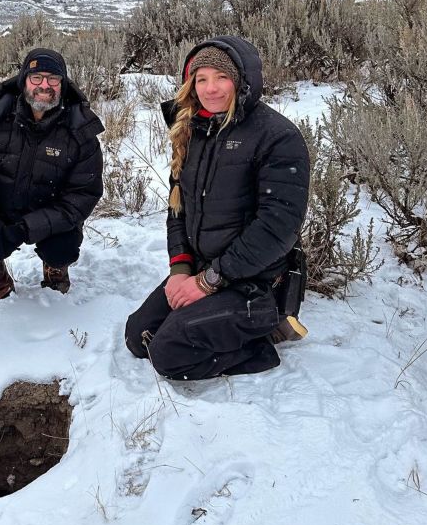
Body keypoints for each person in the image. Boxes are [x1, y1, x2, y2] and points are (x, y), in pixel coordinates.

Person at [125, 35, 310, 380]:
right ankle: (217, 319)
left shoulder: (277, 137)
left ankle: (264, 337)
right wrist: (181, 269)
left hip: (254, 282)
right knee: (139, 338)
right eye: (202, 78)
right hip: (202, 269)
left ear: (242, 80)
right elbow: (177, 209)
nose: (211, 89)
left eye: (222, 77)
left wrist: (208, 282)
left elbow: (277, 228)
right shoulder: (193, 129)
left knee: (168, 355)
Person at [0, 47, 104, 313]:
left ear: (63, 84)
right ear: (23, 82)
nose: (45, 85)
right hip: (0, 208)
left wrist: (24, 229)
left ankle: (55, 270)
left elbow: (81, 197)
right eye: (37, 77)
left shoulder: (80, 130)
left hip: (49, 213)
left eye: (53, 78)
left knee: (63, 246)